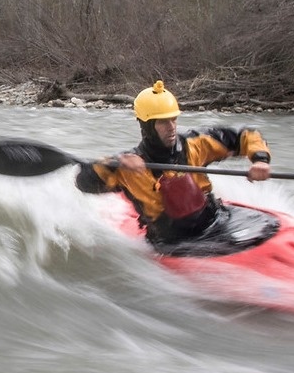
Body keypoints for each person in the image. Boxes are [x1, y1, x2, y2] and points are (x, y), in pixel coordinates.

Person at [75, 80, 272, 248]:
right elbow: (84, 182)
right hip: (172, 242)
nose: (171, 128)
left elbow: (244, 136)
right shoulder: (127, 166)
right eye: (162, 122)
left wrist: (260, 160)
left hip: (213, 220)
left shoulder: (196, 144)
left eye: (173, 120)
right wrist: (115, 163)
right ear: (147, 126)